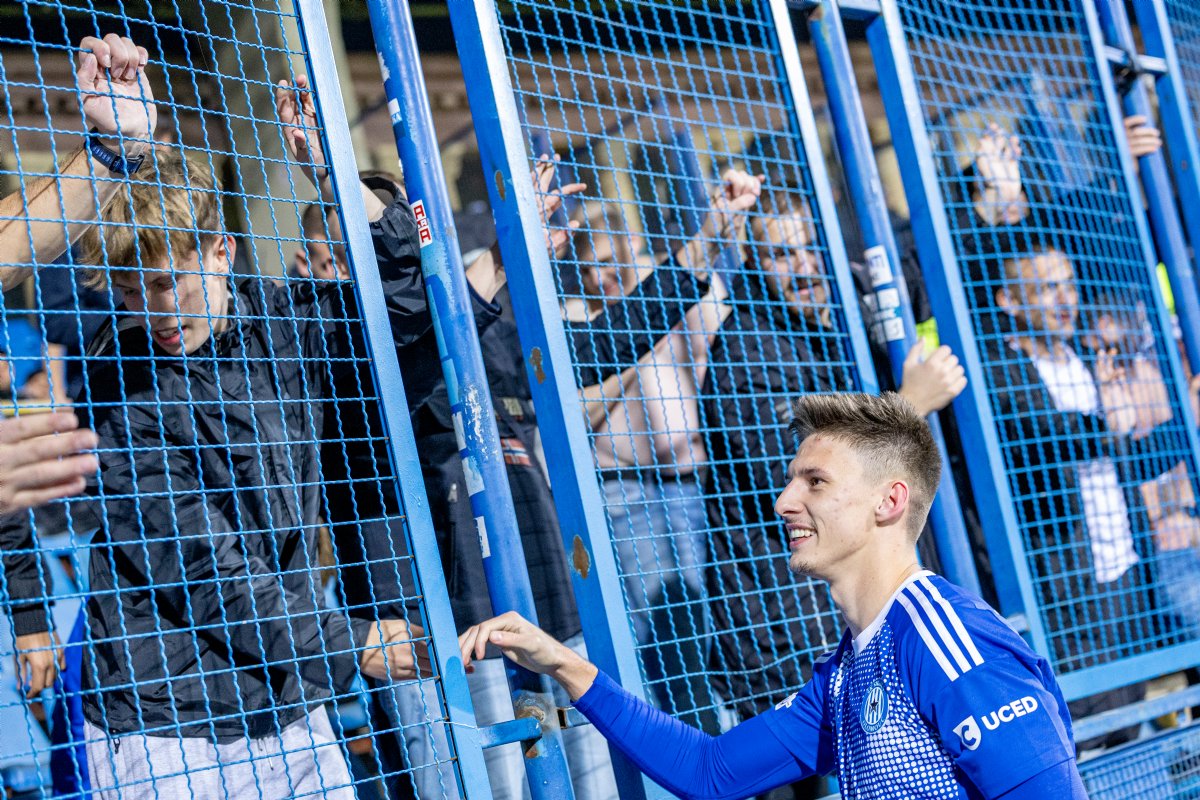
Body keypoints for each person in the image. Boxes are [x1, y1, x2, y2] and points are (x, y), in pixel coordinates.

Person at [43, 74, 431, 792]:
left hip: (288, 694)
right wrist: (347, 645)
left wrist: (334, 174)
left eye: (168, 283)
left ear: (221, 250)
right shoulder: (119, 383)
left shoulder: (286, 323)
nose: (154, 311)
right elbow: (202, 568)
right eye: (129, 291)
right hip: (167, 721)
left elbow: (410, 306)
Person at [460, 392, 1085, 799]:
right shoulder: (846, 672)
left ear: (888, 501)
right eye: (790, 480)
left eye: (815, 482)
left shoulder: (950, 642)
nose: (785, 501)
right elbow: (709, 771)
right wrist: (564, 665)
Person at [701, 192, 965, 738]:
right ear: (752, 262)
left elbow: (923, 270)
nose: (804, 267)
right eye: (782, 255)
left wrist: (976, 194)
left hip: (855, 609)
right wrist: (909, 406)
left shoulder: (836, 319)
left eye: (809, 248)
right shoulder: (747, 348)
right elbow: (804, 480)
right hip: (786, 627)